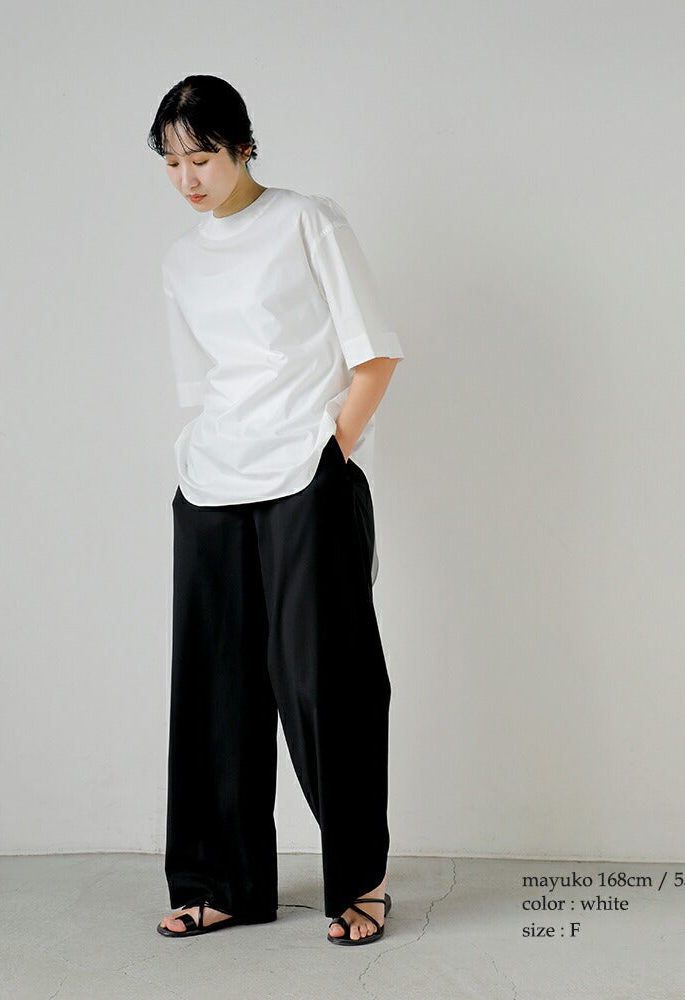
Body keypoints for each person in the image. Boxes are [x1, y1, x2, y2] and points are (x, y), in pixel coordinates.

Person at [147, 75, 404, 946]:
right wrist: (199, 460)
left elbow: (374, 353)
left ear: (244, 146)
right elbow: (205, 386)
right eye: (172, 162)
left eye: (202, 157)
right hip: (212, 484)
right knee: (214, 688)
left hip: (305, 474)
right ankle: (223, 882)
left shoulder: (306, 221)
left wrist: (333, 450)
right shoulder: (181, 261)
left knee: (324, 682)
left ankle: (360, 880)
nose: (187, 178)